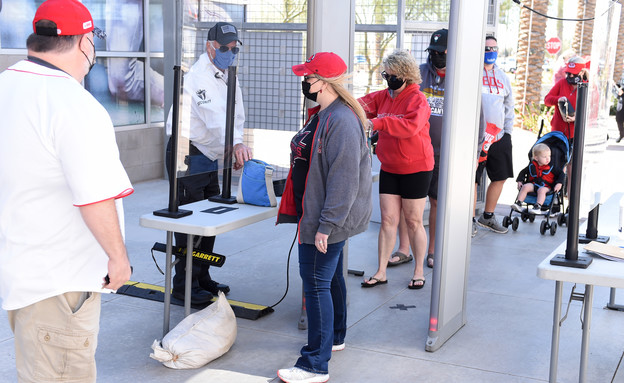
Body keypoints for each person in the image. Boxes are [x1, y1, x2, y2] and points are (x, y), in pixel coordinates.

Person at [0, 0, 133, 381]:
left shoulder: (7, 85)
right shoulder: (73, 104)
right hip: (61, 283)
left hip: (24, 273)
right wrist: (118, 259)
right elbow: (94, 197)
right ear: (84, 43)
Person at [275, 52, 372, 383]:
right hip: (318, 215)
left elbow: (344, 182)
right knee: (330, 279)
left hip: (325, 220)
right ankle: (336, 337)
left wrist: (326, 227)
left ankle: (314, 364)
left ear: (322, 81)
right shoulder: (326, 113)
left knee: (316, 284)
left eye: (307, 76)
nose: (304, 81)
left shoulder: (341, 121)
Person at [164, 22, 253, 304]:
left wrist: (232, 147)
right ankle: (184, 286)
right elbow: (215, 118)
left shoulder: (228, 73)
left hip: (209, 153)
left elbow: (235, 114)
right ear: (209, 46)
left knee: (210, 218)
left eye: (234, 48)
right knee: (190, 221)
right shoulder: (200, 76)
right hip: (187, 153)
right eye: (224, 48)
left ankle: (202, 277)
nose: (230, 53)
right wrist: (234, 145)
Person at [359, 49, 434, 290]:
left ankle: (419, 271)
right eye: (386, 74)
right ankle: (381, 271)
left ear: (406, 75)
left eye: (393, 75)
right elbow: (358, 106)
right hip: (390, 166)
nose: (389, 79)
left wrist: (379, 122)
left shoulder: (418, 100)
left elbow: (410, 127)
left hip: (416, 168)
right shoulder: (383, 96)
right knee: (388, 220)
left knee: (413, 221)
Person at [392, 28, 448, 269]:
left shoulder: (461, 77)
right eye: (432, 52)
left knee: (436, 201)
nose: (436, 57)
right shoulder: (418, 75)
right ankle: (404, 249)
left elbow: (476, 117)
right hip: (414, 151)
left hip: (444, 152)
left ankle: (432, 250)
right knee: (408, 203)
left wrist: (475, 151)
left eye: (441, 52)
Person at [474, 35, 515, 234]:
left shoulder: (503, 77)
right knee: (471, 180)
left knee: (500, 177)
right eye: (486, 48)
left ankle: (487, 216)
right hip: (475, 139)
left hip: (498, 137)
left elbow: (509, 106)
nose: (491, 52)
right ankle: (469, 220)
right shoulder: (472, 73)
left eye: (494, 48)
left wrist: (508, 133)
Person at [511, 143, 564, 215]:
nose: (548, 158)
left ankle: (538, 207)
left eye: (549, 156)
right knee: (525, 186)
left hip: (547, 187)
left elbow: (561, 174)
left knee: (541, 190)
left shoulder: (552, 167)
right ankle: (519, 203)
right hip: (534, 185)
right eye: (544, 157)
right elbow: (522, 172)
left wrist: (559, 183)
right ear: (536, 158)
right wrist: (520, 181)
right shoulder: (532, 165)